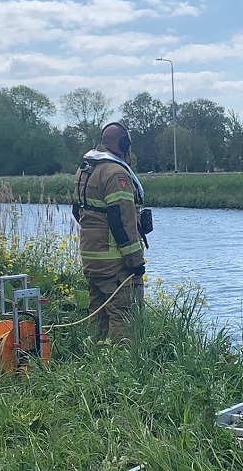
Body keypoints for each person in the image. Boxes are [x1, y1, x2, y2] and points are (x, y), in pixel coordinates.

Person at [73, 122, 146, 345]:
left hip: (91, 256)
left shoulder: (86, 168)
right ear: (124, 144)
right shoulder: (116, 174)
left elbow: (77, 211)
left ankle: (96, 357)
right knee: (123, 313)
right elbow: (121, 221)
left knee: (98, 311)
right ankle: (121, 364)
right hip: (114, 260)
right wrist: (135, 261)